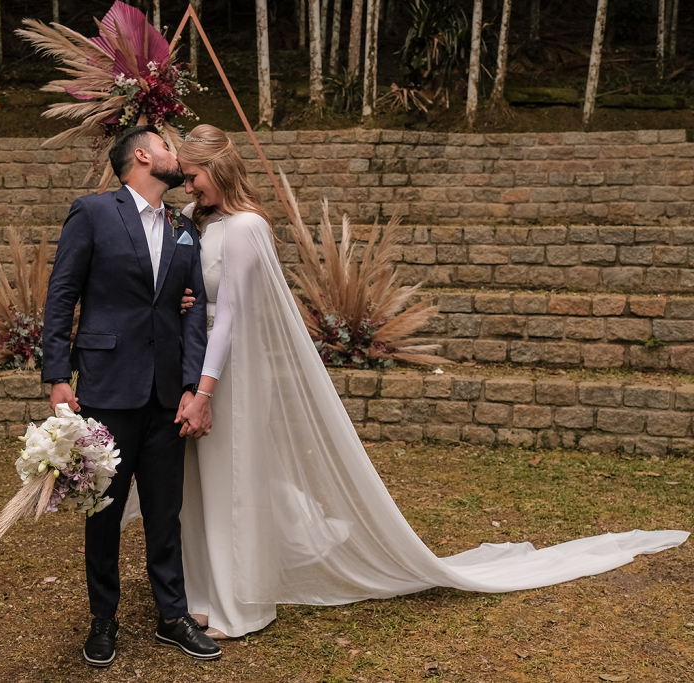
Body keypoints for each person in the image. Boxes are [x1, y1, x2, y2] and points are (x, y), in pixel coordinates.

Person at [170, 123, 690, 640]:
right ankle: (204, 595)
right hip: (194, 363)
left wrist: (209, 390)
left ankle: (242, 607)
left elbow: (235, 312)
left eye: (194, 177)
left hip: (230, 374)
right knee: (197, 487)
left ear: (219, 169)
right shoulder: (195, 219)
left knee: (232, 484)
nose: (188, 187)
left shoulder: (246, 227)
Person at [41, 125, 222, 667]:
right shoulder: (93, 212)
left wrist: (191, 388)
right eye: (169, 145)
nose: (178, 154)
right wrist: (56, 380)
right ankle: (103, 619)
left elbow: (192, 322)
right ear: (142, 155)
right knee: (104, 511)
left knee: (167, 511)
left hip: (167, 394)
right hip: (107, 388)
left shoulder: (182, 228)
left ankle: (173, 615)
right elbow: (61, 297)